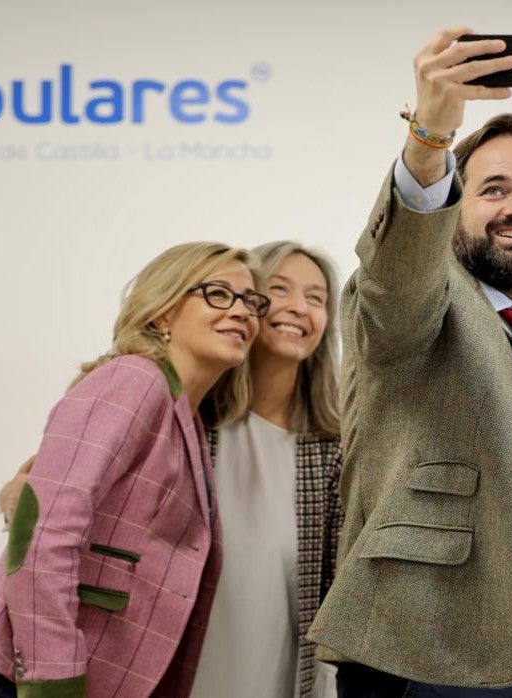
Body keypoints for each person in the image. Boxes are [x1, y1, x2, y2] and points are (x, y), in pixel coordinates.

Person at [307, 27, 512, 698]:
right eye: (493, 188)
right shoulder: (418, 304)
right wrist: (431, 137)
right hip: (423, 662)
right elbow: (398, 272)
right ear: (455, 205)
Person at [0, 242, 265, 697]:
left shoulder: (187, 419)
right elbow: (45, 532)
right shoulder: (134, 379)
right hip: (24, 679)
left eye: (251, 301)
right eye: (218, 293)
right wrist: (54, 682)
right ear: (162, 314)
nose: (241, 311)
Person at [192, 241, 344, 698]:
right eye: (280, 289)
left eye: (316, 298)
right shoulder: (190, 422)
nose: (299, 307)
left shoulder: (334, 450)